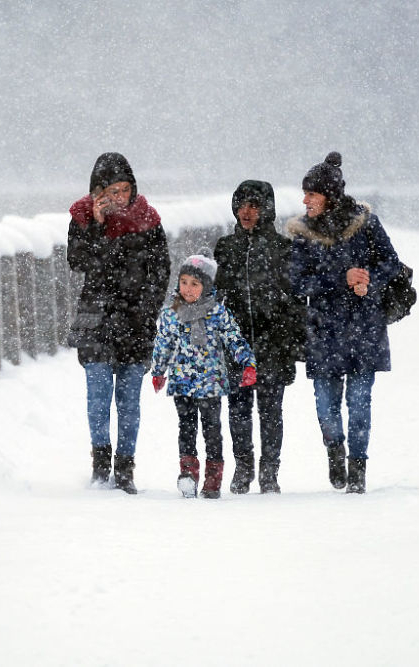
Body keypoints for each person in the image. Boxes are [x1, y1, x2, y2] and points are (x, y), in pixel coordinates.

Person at [286, 152, 403, 493]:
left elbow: (391, 263)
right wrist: (342, 277)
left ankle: (359, 468)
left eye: (312, 193)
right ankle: (335, 451)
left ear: (330, 196)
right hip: (324, 330)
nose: (305, 200)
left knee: (360, 401)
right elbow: (296, 282)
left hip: (365, 327)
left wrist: (369, 280)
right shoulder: (303, 233)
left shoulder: (365, 223)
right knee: (326, 405)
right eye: (305, 193)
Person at [66, 152, 171, 494]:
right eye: (110, 191)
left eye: (123, 189)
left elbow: (160, 270)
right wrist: (97, 225)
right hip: (95, 316)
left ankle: (125, 467)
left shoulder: (148, 219)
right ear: (97, 192)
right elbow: (79, 261)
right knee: (98, 397)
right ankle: (100, 464)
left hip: (136, 319)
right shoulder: (82, 218)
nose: (118, 197)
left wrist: (147, 309)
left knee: (128, 400)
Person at [214, 180, 305, 494]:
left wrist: (292, 341)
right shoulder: (226, 247)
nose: (246, 212)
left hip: (273, 342)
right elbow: (217, 296)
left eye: (253, 205)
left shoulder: (283, 248)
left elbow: (296, 300)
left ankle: (269, 472)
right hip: (237, 344)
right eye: (241, 205)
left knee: (271, 411)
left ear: (267, 209)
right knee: (238, 409)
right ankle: (243, 468)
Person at [150, 255, 257, 499]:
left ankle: (213, 475)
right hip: (182, 382)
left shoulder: (217, 312)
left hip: (211, 382)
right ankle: (188, 474)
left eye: (195, 284)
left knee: (211, 429)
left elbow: (234, 338)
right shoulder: (172, 312)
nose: (188, 288)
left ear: (206, 287)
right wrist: (158, 370)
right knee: (186, 428)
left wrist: (247, 363)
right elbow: (163, 344)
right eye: (184, 282)